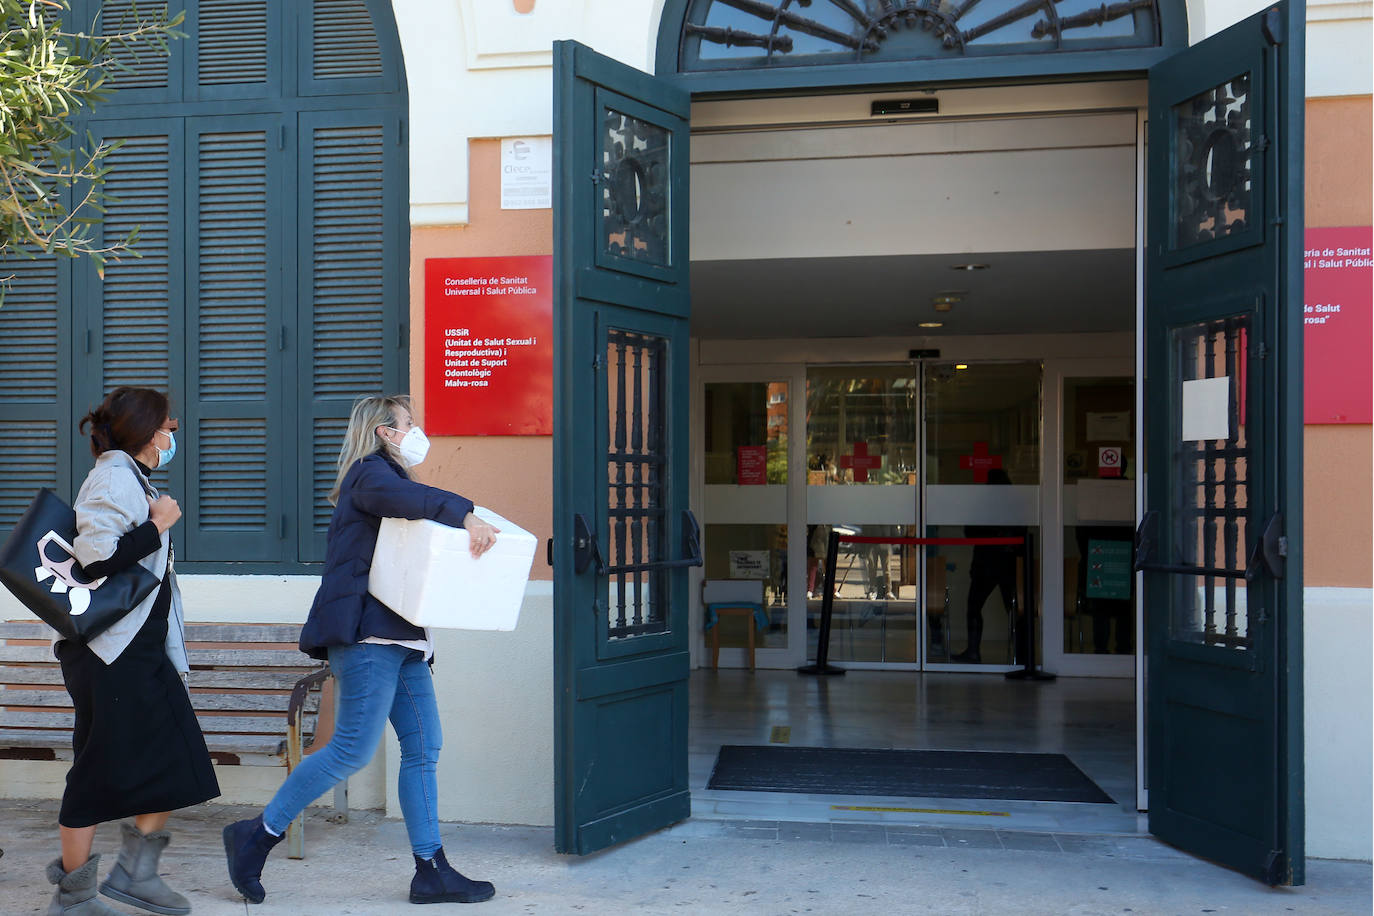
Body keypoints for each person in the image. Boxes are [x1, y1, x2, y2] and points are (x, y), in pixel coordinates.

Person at [222, 395, 499, 907]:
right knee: (351, 748)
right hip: (370, 638)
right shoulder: (369, 475)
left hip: (404, 638)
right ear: (385, 433)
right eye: (409, 424)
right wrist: (468, 514)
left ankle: (431, 869)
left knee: (424, 746)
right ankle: (256, 835)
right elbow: (414, 504)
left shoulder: (389, 481)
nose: (417, 432)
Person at [46, 386, 220, 916]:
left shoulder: (131, 476)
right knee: (98, 769)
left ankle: (135, 874)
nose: (173, 437)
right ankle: (74, 898)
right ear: (148, 432)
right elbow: (96, 558)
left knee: (177, 757)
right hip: (110, 655)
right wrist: (157, 524)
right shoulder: (113, 476)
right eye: (170, 427)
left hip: (138, 651)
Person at [951, 469, 1027, 665]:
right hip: (1008, 562)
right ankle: (1023, 654)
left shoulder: (984, 503)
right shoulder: (1015, 502)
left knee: (974, 606)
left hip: (986, 562)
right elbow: (1022, 531)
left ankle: (974, 651)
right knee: (1014, 609)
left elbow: (970, 531)